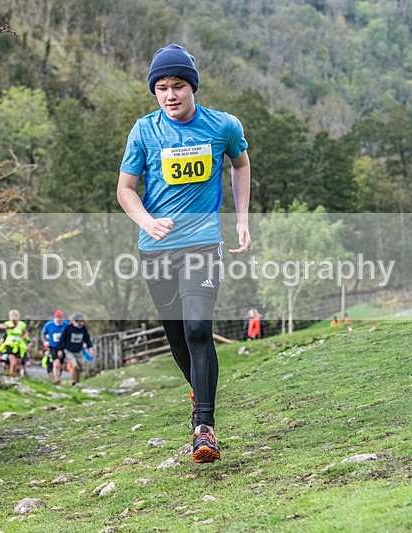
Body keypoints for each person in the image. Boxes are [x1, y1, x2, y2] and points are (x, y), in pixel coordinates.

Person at [116, 44, 251, 464]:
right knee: (176, 335)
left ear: (192, 86)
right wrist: (146, 222)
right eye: (161, 87)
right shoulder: (144, 131)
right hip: (156, 248)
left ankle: (204, 427)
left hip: (202, 243)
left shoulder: (222, 126)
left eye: (178, 86)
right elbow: (125, 190)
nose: (170, 94)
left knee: (196, 328)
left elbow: (241, 165)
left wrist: (242, 219)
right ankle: (199, 387)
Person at [59, 312, 93, 387]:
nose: (81, 323)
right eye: (80, 322)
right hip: (69, 350)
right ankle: (73, 382)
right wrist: (60, 349)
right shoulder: (69, 328)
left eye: (82, 322)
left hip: (78, 350)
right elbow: (62, 339)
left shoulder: (83, 329)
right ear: (75, 321)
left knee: (80, 367)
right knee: (74, 365)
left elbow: (87, 338)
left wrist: (90, 348)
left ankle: (77, 381)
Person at [0, 309, 28, 376]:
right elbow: (0, 325)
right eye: (11, 315)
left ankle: (15, 374)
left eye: (14, 315)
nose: (12, 317)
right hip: (9, 344)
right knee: (12, 362)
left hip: (18, 345)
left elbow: (26, 333)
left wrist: (22, 338)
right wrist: (7, 327)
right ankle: (11, 374)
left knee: (18, 362)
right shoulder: (8, 323)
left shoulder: (21, 324)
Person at [41, 309, 69, 384]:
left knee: (61, 364)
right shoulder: (49, 324)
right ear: (55, 318)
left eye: (61, 319)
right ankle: (55, 379)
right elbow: (43, 333)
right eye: (58, 319)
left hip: (63, 347)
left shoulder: (66, 324)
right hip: (52, 346)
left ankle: (59, 376)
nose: (59, 321)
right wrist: (45, 342)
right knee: (56, 363)